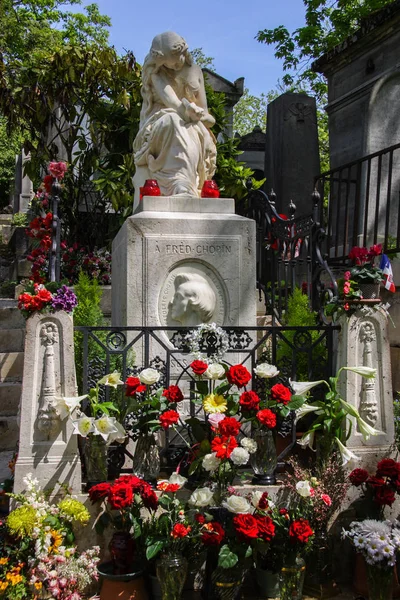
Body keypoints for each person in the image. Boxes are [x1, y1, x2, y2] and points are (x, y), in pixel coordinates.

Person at [133, 31, 217, 209]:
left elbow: (209, 118)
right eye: (172, 62)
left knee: (192, 128)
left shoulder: (195, 71)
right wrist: (189, 113)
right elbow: (173, 104)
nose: (178, 62)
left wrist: (199, 115)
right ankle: (178, 186)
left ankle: (186, 186)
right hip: (160, 121)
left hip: (193, 122)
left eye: (180, 57)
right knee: (174, 121)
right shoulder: (157, 74)